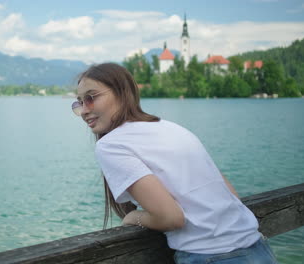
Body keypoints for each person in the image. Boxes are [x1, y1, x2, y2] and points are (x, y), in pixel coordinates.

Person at [71, 63, 278, 264]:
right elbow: (230, 195)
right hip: (257, 247)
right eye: (78, 103)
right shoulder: (171, 127)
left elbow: (171, 218)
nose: (83, 110)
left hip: (209, 255)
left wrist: (134, 217)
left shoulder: (110, 144)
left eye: (90, 98)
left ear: (122, 92)